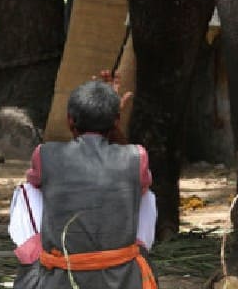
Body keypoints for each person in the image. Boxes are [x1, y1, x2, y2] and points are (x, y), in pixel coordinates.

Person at [9, 80, 157, 289]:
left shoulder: (44, 154)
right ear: (117, 121)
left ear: (69, 120)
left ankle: (35, 259)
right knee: (145, 192)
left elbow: (36, 186)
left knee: (27, 189)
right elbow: (135, 183)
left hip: (62, 275)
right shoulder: (137, 156)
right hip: (122, 274)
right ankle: (134, 251)